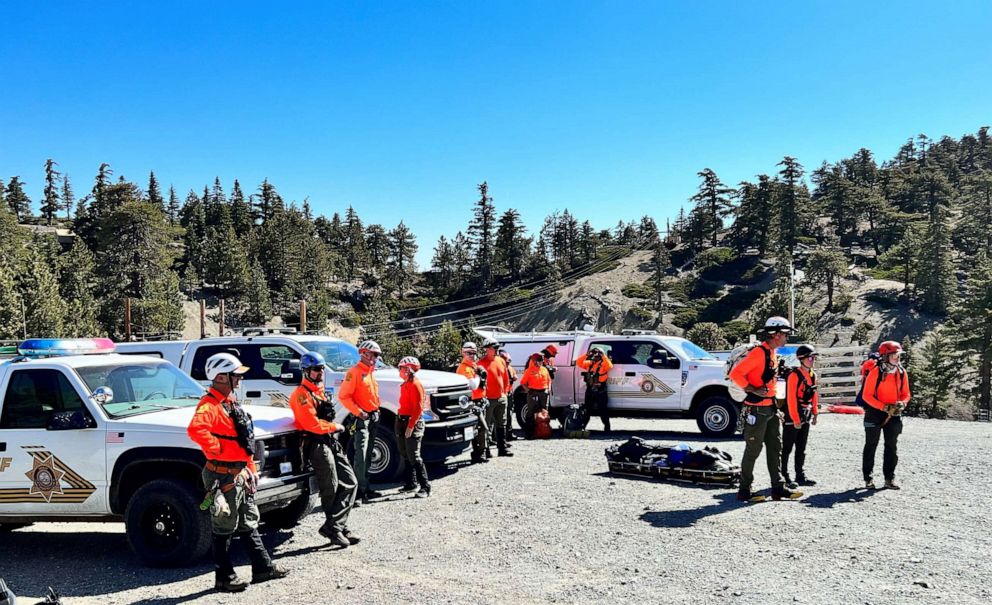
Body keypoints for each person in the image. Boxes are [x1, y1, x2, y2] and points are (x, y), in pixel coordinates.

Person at [187, 353, 288, 592]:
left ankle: (262, 568)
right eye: (236, 375)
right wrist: (218, 449)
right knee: (224, 526)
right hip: (223, 476)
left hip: (238, 474)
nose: (240, 379)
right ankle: (224, 577)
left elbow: (244, 441)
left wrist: (250, 469)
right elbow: (195, 430)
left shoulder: (228, 403)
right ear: (222, 377)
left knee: (248, 521)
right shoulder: (209, 405)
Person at [288, 351, 359, 548]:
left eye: (321, 369)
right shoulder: (301, 395)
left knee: (350, 482)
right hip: (315, 443)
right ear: (305, 371)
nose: (320, 373)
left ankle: (335, 525)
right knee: (331, 486)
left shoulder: (319, 391)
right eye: (316, 370)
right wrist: (336, 427)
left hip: (328, 440)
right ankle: (337, 529)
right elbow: (311, 424)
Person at [729, 316, 803, 502]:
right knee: (753, 450)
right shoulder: (758, 353)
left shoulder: (770, 353)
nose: (787, 338)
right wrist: (752, 389)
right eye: (785, 334)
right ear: (776, 334)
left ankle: (778, 488)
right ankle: (744, 490)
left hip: (770, 407)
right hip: (756, 410)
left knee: (775, 448)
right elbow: (735, 374)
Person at [339, 340, 384, 505]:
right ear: (364, 353)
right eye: (374, 355)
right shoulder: (354, 372)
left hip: (373, 417)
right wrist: (359, 412)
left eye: (377, 356)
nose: (376, 358)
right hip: (361, 419)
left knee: (369, 453)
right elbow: (344, 396)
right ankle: (357, 493)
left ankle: (366, 489)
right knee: (361, 455)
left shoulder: (371, 372)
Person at [862, 341, 911, 490]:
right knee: (871, 445)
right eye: (894, 355)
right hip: (874, 412)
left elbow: (906, 394)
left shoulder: (901, 372)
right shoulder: (875, 372)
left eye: (898, 355)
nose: (897, 358)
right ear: (885, 356)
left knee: (891, 446)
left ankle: (889, 478)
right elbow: (867, 396)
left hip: (894, 412)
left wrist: (903, 403)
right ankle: (868, 478)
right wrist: (883, 407)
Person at [781, 345, 819, 489]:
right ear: (801, 359)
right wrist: (796, 419)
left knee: (801, 447)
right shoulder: (794, 376)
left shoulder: (812, 375)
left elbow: (814, 394)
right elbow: (791, 399)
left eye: (814, 357)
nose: (812, 360)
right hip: (793, 414)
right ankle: (783, 475)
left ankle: (800, 475)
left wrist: (815, 412)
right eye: (810, 357)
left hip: (806, 413)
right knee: (787, 447)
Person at [396, 356, 432, 497]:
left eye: (401, 368)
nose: (399, 371)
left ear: (408, 370)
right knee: (405, 453)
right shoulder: (405, 384)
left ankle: (425, 486)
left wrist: (410, 426)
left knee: (414, 455)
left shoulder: (416, 385)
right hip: (402, 420)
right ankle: (411, 483)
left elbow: (418, 409)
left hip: (412, 422)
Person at [478, 337, 514, 457]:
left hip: (501, 397)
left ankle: (502, 449)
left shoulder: (501, 361)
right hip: (487, 399)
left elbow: (505, 378)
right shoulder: (480, 364)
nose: (497, 349)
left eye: (498, 347)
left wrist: (505, 392)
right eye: (495, 347)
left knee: (501, 424)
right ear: (487, 349)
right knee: (486, 425)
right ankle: (486, 450)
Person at [456, 342, 490, 464]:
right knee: (481, 428)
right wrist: (479, 376)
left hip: (480, 401)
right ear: (463, 353)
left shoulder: (473, 366)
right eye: (468, 353)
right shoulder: (464, 368)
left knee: (481, 428)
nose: (471, 355)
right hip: (472, 402)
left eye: (474, 353)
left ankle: (482, 452)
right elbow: (474, 385)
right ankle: (479, 453)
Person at [575, 345, 613, 432]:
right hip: (590, 390)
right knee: (587, 410)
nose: (594, 357)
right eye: (594, 355)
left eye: (597, 355)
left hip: (601, 390)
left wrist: (603, 355)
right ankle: (583, 427)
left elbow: (609, 366)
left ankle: (607, 428)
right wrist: (587, 354)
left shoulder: (604, 364)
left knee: (603, 409)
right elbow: (579, 362)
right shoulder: (590, 364)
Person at [519, 353, 552, 438]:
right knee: (531, 413)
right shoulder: (529, 371)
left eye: (542, 360)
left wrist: (548, 389)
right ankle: (529, 433)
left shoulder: (544, 369)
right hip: (533, 393)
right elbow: (522, 383)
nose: (541, 362)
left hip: (544, 393)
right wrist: (528, 391)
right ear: (534, 361)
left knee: (544, 413)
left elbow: (549, 380)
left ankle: (544, 432)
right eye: (539, 361)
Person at [499, 348, 518, 442]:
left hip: (509, 394)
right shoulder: (500, 369)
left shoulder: (510, 368)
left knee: (509, 414)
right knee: (501, 416)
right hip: (502, 394)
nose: (508, 362)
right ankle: (500, 436)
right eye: (506, 361)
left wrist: (513, 378)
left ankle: (509, 434)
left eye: (508, 361)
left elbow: (515, 377)